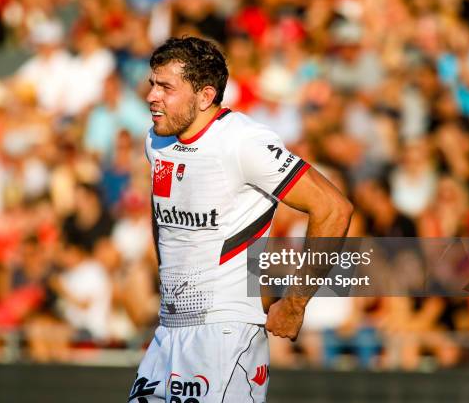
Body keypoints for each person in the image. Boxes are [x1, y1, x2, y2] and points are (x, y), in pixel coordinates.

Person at [129, 36, 352, 402]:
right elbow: (163, 219)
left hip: (224, 335)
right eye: (153, 83)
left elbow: (333, 208)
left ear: (204, 96)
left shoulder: (243, 142)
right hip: (168, 331)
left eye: (166, 87)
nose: (152, 95)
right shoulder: (156, 140)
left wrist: (295, 302)